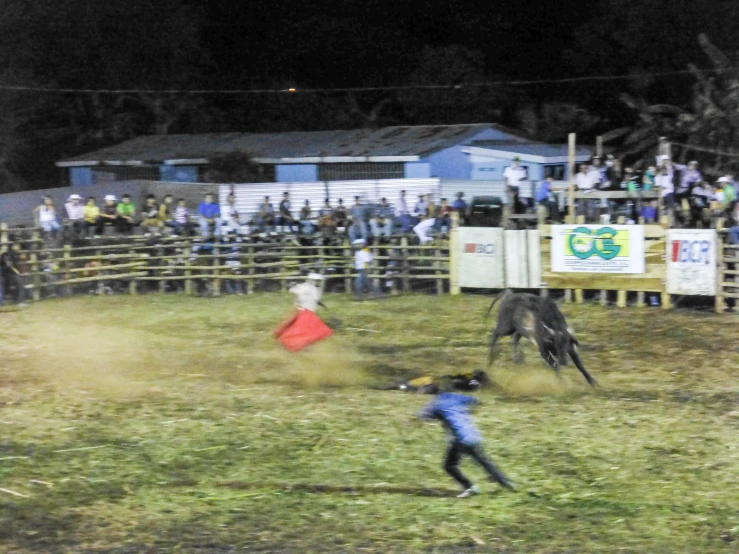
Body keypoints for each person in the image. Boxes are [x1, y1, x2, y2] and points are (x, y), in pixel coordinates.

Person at [416, 392, 516, 498]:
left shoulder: (437, 404)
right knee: (485, 461)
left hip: (460, 439)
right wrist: (470, 411)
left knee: (449, 466)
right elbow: (476, 400)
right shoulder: (455, 398)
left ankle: (470, 487)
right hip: (473, 435)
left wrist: (428, 414)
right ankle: (506, 482)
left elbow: (421, 416)